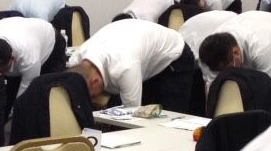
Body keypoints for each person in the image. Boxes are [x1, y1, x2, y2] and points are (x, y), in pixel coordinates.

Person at [67, 17, 199, 112]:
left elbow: (131, 115)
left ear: (95, 81)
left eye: (91, 96)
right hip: (138, 48)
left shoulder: (125, 67)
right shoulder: (75, 59)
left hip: (174, 55)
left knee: (169, 117)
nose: (91, 99)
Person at [197, 10, 271, 113]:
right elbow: (212, 91)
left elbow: (268, 91)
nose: (226, 74)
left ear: (236, 53)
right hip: (258, 32)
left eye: (227, 69)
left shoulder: (261, 48)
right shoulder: (208, 54)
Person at [0, 15, 65, 98]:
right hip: (16, 29)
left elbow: (26, 93)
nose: (0, 74)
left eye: (3, 70)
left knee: (47, 91)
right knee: (9, 92)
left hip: (50, 40)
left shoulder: (30, 58)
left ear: (12, 58)